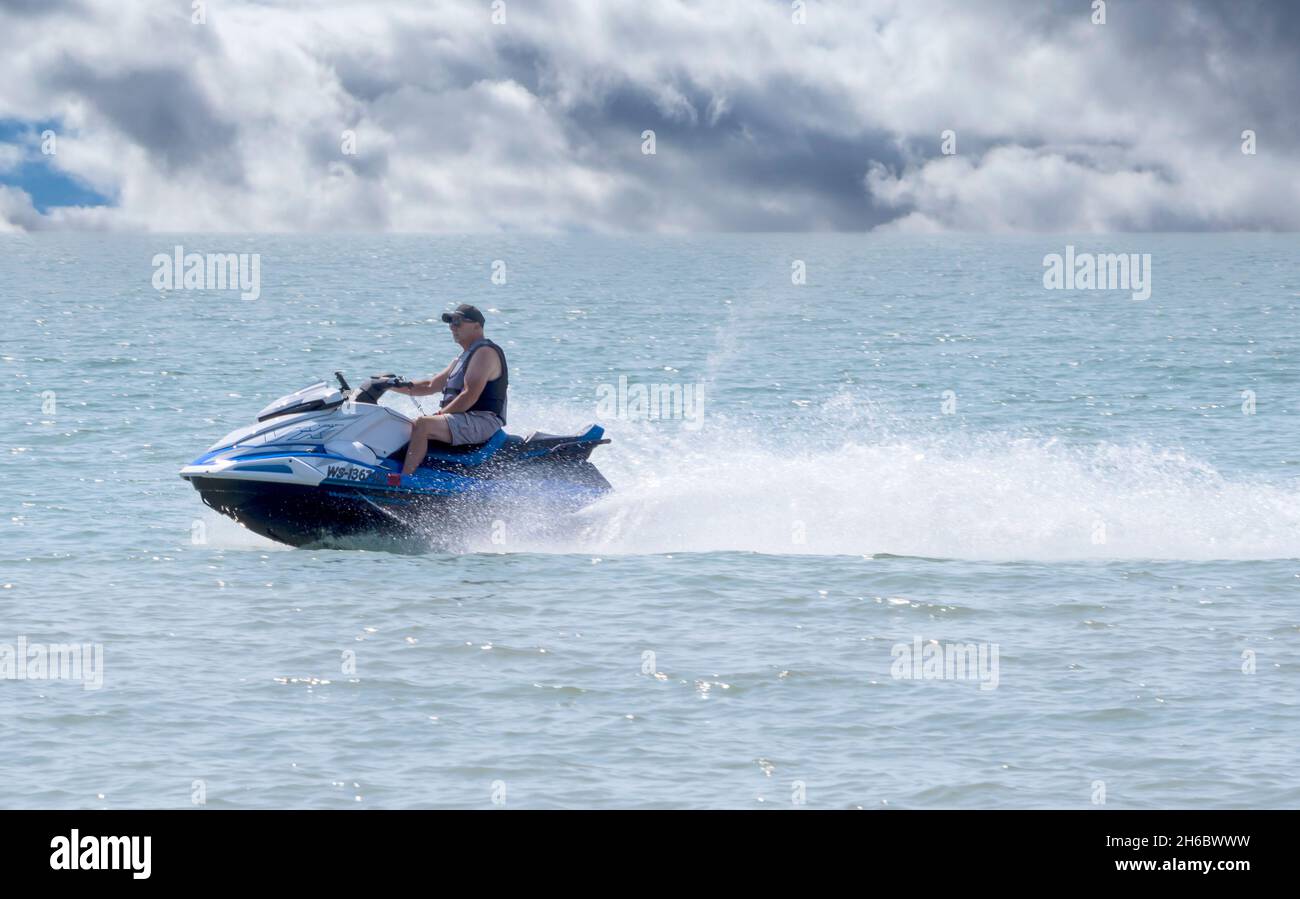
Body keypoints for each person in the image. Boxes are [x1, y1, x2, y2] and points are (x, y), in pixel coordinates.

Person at [388, 303, 508, 476]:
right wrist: (389, 385)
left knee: (423, 424)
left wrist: (437, 416)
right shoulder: (462, 358)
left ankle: (404, 480)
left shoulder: (485, 352)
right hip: (463, 418)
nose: (452, 327)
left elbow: (470, 395)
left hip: (482, 420)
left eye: (458, 322)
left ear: (477, 326)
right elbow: (429, 386)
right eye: (450, 322)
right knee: (404, 425)